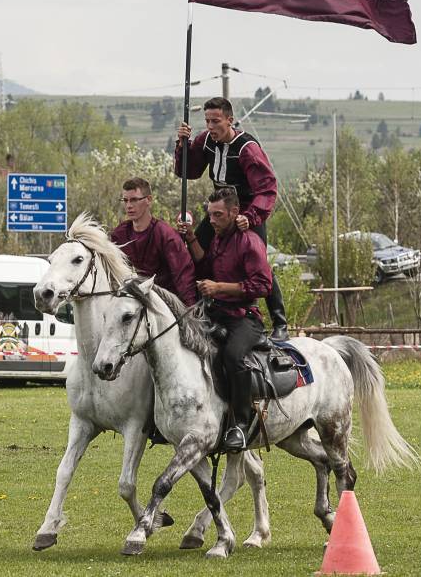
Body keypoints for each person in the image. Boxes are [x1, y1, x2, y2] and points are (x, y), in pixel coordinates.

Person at [175, 96, 289, 341]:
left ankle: (280, 322)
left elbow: (267, 188)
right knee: (192, 251)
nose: (210, 127)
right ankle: (197, 310)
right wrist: (183, 145)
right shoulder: (205, 141)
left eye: (216, 121)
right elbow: (189, 171)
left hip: (247, 212)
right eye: (207, 121)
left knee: (260, 264)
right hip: (220, 211)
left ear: (230, 120)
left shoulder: (247, 148)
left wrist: (251, 216)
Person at [178, 187, 273, 452]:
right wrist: (191, 239)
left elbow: (263, 285)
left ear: (234, 212)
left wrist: (219, 288)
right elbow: (206, 265)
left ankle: (241, 425)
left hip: (245, 319)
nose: (212, 221)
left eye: (218, 215)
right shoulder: (219, 239)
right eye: (210, 215)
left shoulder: (250, 242)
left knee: (232, 356)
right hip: (216, 312)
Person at [110, 177, 198, 306]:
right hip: (132, 301)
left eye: (134, 200)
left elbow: (183, 276)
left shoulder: (166, 235)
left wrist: (190, 311)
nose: (128, 205)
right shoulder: (119, 234)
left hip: (166, 303)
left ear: (148, 200)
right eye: (125, 200)